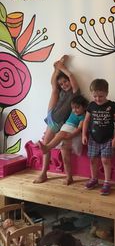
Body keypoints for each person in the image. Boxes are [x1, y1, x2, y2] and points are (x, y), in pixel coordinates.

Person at [33, 55, 80, 184]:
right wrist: (57, 69)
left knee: (53, 147)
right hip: (52, 116)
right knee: (54, 90)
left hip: (59, 122)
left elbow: (71, 77)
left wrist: (61, 67)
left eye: (65, 82)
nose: (64, 85)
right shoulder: (61, 92)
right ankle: (43, 173)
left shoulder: (75, 92)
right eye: (62, 83)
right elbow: (54, 84)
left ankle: (63, 176)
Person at [82, 78, 115, 195]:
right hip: (93, 139)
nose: (97, 99)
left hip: (107, 140)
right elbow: (86, 121)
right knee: (93, 160)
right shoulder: (91, 105)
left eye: (100, 96)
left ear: (106, 93)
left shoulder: (112, 105)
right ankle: (94, 179)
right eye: (95, 96)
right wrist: (84, 134)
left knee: (105, 160)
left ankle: (107, 182)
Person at [38, 95, 88, 185]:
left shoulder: (83, 117)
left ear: (84, 107)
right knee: (65, 158)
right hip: (64, 131)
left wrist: (70, 135)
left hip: (71, 134)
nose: (75, 110)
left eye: (77, 107)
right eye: (73, 108)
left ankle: (47, 147)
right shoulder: (72, 113)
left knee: (60, 134)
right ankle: (69, 177)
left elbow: (79, 129)